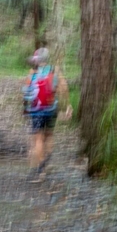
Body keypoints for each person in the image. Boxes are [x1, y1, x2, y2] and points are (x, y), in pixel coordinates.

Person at [22, 48, 72, 182]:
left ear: (37, 60)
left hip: (36, 110)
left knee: (38, 139)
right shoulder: (54, 71)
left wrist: (25, 108)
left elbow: (26, 91)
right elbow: (64, 88)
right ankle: (47, 160)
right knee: (49, 135)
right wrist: (67, 105)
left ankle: (40, 170)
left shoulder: (33, 72)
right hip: (51, 109)